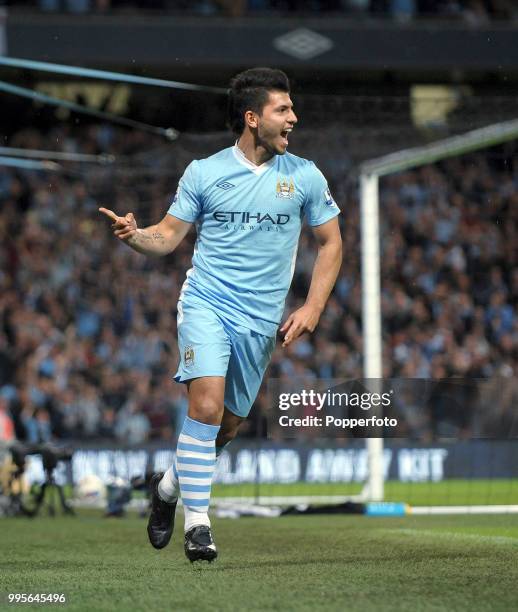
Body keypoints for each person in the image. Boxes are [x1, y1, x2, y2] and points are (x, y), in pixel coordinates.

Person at [99, 67, 342, 562]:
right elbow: (166, 238)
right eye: (283, 109)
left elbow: (331, 242)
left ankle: (167, 488)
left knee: (227, 426)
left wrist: (313, 306)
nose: (293, 118)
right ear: (253, 118)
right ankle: (199, 526)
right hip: (207, 303)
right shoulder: (204, 172)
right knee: (205, 408)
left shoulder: (305, 176)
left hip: (260, 321)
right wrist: (135, 235)